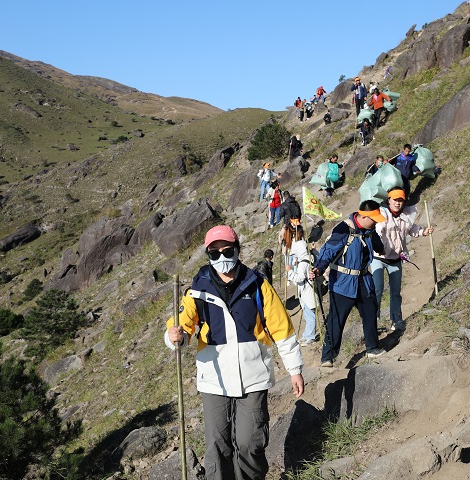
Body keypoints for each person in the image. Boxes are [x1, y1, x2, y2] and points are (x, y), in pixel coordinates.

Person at [165, 225, 304, 480]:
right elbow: (182, 326)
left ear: (237, 249)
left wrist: (294, 369)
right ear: (208, 255)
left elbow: (282, 329)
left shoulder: (258, 284)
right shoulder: (198, 288)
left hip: (253, 376)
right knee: (217, 446)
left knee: (250, 441)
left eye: (227, 251)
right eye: (214, 254)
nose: (222, 258)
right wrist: (176, 337)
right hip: (214, 379)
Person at [309, 200, 387, 367]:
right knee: (336, 320)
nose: (376, 222)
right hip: (342, 283)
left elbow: (378, 246)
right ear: (364, 216)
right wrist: (318, 269)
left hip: (364, 281)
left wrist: (382, 248)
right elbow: (328, 251)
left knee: (370, 313)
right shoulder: (343, 229)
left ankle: (372, 348)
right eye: (374, 219)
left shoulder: (370, 230)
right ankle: (327, 358)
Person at [371, 188, 434, 332]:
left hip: (395, 259)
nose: (398, 203)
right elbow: (377, 230)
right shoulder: (382, 214)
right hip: (378, 257)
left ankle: (397, 320)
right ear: (389, 200)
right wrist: (378, 243)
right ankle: (373, 320)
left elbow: (413, 229)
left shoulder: (406, 216)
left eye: (400, 200)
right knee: (377, 289)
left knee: (395, 291)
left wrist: (424, 232)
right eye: (395, 200)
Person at [286, 240, 318, 345]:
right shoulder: (310, 257)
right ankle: (306, 335)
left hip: (306, 292)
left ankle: (310, 337)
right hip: (307, 291)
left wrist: (290, 271)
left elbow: (299, 278)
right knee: (308, 314)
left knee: (309, 315)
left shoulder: (303, 264)